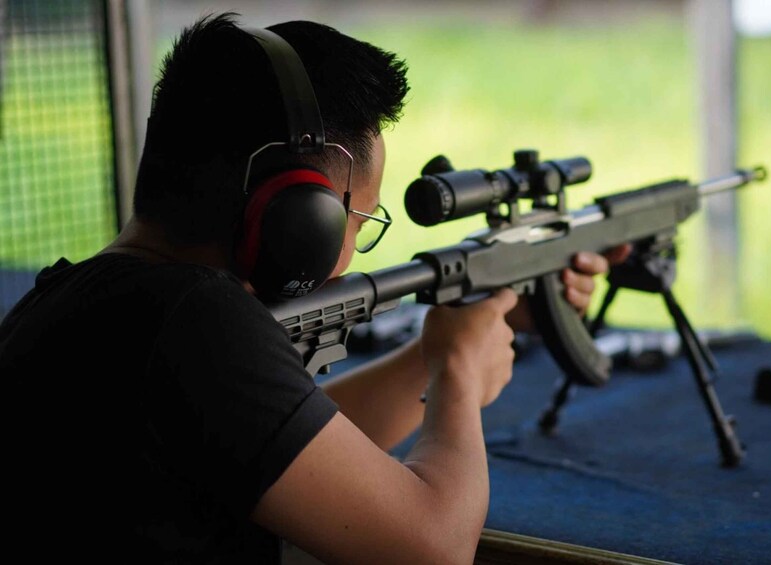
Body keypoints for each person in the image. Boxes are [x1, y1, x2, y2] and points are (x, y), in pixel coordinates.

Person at [0, 13, 630, 564]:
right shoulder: (197, 322)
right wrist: (458, 378)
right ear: (298, 217)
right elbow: (432, 550)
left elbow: (293, 445)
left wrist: (439, 349)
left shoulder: (85, 302)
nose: (350, 245)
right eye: (357, 218)